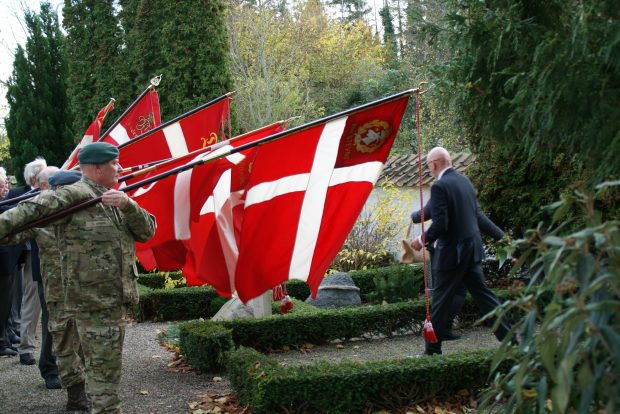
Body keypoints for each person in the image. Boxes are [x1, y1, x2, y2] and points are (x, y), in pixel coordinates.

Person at [0, 142, 156, 413]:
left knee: (104, 377)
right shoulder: (74, 195)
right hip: (89, 304)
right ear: (97, 168)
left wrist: (129, 205)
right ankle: (81, 396)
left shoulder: (115, 198)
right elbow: (27, 213)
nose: (119, 168)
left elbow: (147, 231)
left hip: (111, 304)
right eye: (113, 164)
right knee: (101, 381)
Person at [411, 147, 513, 355]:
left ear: (434, 164)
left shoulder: (440, 186)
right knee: (486, 298)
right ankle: (512, 341)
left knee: (440, 301)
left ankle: (432, 351)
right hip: (471, 250)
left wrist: (421, 240)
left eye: (429, 165)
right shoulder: (465, 182)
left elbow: (441, 224)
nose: (429, 169)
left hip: (452, 254)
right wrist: (506, 240)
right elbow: (480, 218)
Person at [0, 170, 87, 408]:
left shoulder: (85, 211)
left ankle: (79, 378)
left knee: (80, 331)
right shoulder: (41, 214)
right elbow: (9, 230)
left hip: (83, 285)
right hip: (52, 283)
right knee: (54, 328)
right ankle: (50, 369)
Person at [410, 196, 505, 341]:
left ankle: (436, 334)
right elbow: (483, 221)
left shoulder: (441, 192)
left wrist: (414, 216)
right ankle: (442, 331)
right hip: (466, 251)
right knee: (462, 292)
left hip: (444, 251)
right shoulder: (467, 196)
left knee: (444, 292)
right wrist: (506, 241)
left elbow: (421, 216)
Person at [16, 157, 47, 367]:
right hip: (32, 256)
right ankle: (25, 346)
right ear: (36, 178)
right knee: (32, 301)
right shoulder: (26, 198)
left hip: (48, 258)